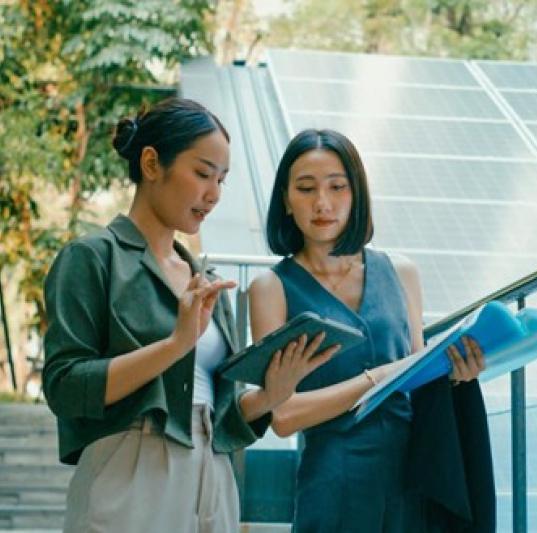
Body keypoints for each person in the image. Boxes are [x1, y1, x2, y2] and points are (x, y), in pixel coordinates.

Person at [42, 98, 336, 533]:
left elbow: (223, 412)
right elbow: (65, 387)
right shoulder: (92, 258)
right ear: (151, 163)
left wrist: (275, 392)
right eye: (202, 173)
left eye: (222, 180)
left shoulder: (206, 280)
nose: (213, 194)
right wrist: (176, 344)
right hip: (131, 469)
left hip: (214, 474)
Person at [248, 128, 486, 532]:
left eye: (337, 187)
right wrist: (376, 378)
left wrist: (458, 375)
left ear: (356, 194)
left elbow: (419, 377)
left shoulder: (401, 272)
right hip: (333, 484)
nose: (321, 203)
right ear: (286, 201)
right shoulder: (270, 288)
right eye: (305, 189)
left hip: (412, 478)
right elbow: (284, 415)